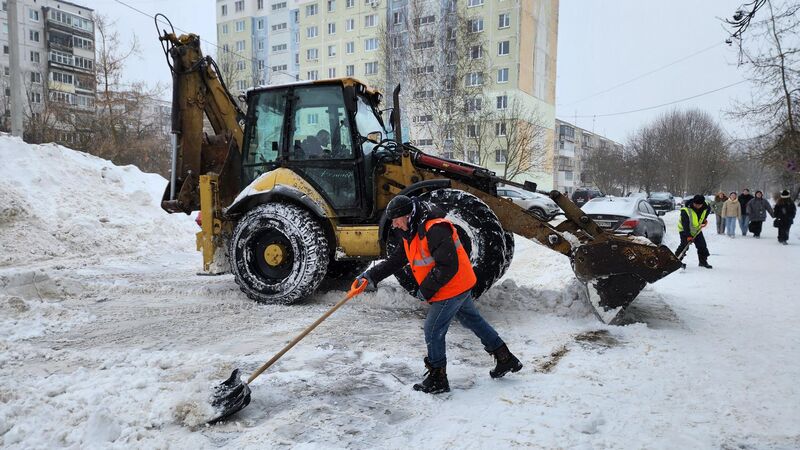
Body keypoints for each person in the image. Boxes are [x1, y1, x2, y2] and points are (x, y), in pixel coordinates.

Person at [356, 195, 522, 394]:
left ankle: (438, 379)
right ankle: (505, 358)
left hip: (452, 287)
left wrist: (425, 290)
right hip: (458, 283)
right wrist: (371, 276)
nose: (394, 224)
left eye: (396, 220)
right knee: (472, 320)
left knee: (433, 329)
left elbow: (447, 266)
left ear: (407, 215)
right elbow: (398, 258)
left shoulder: (435, 229)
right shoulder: (410, 230)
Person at [675, 194, 712, 269]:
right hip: (684, 230)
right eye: (695, 204)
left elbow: (707, 212)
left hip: (696, 230)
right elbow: (685, 224)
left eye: (699, 205)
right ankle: (675, 261)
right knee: (684, 245)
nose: (697, 206)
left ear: (702, 204)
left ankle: (703, 261)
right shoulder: (686, 210)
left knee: (702, 245)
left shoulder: (706, 207)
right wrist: (688, 236)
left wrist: (704, 220)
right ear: (693, 202)